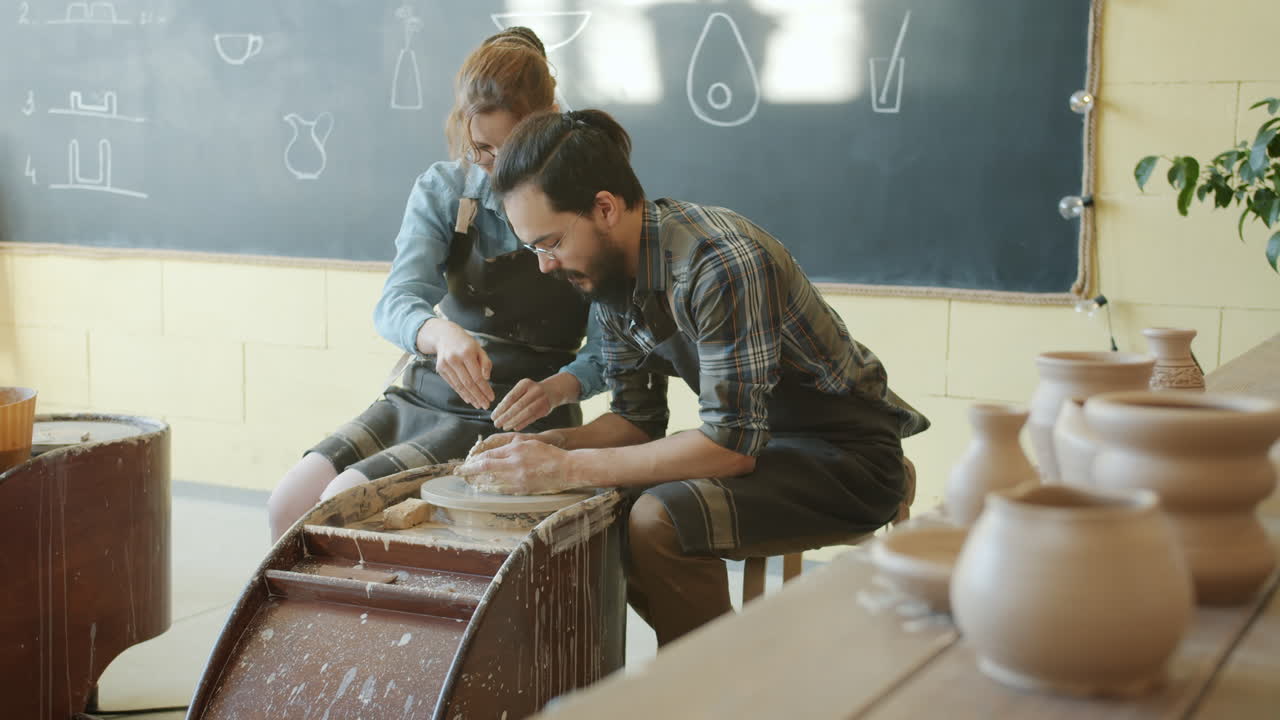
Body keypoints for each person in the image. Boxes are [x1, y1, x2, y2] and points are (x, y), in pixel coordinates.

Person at [458, 109, 930, 646]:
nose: (544, 265)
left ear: (605, 208)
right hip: (767, 450)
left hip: (848, 457)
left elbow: (730, 446)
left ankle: (709, 689)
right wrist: (539, 448)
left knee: (658, 521)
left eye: (549, 243)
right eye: (534, 248)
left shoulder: (719, 264)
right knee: (603, 512)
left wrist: (565, 465)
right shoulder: (609, 278)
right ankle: (717, 678)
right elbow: (636, 422)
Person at [266, 29, 606, 542]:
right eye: (482, 149)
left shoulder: (585, 201)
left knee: (342, 503)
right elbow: (395, 302)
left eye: (511, 149)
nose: (497, 168)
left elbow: (612, 352)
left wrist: (560, 387)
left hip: (516, 409)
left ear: (550, 119)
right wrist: (437, 333)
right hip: (427, 392)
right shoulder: (447, 190)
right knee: (288, 502)